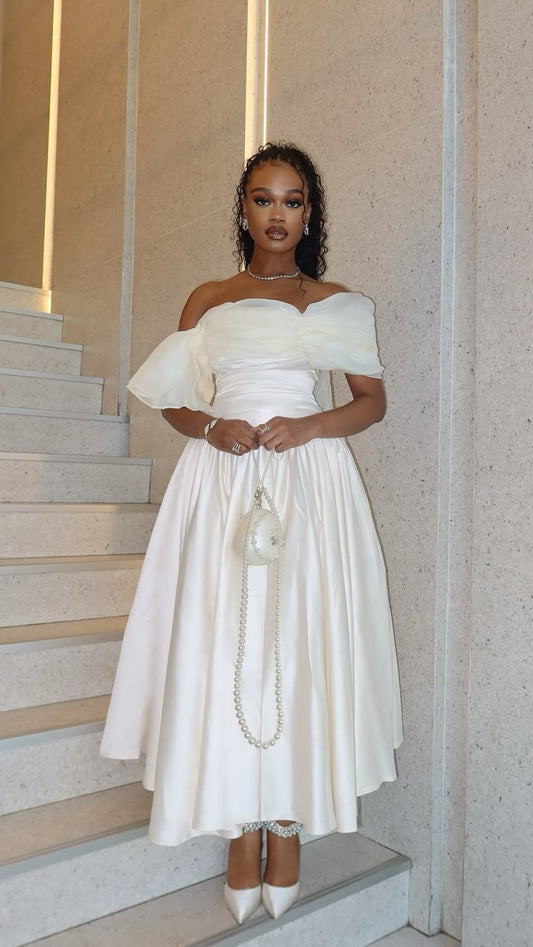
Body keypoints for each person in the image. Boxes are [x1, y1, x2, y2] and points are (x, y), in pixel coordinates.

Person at [101, 142, 403, 925]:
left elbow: (368, 401)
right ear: (242, 210)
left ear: (309, 213)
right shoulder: (207, 298)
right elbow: (173, 400)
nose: (277, 213)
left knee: (297, 638)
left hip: (309, 482)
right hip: (222, 480)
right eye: (263, 198)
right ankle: (239, 823)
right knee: (222, 639)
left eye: (292, 200)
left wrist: (305, 427)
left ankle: (287, 820)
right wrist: (211, 425)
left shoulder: (335, 301)